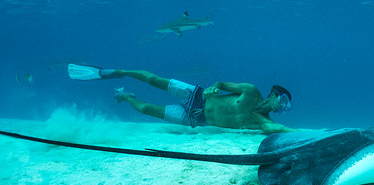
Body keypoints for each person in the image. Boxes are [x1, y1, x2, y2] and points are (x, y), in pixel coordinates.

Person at [67, 65, 296, 134]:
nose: (283, 107)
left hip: (194, 118)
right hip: (195, 94)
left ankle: (126, 96)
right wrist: (212, 89)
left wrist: (320, 135)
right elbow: (221, 84)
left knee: (146, 108)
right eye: (283, 101)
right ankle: (120, 72)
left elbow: (282, 129)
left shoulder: (262, 122)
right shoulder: (250, 90)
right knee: (152, 78)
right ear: (274, 94)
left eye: (286, 106)